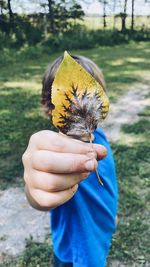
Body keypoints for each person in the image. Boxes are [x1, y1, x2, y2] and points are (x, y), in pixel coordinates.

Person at [22, 54, 118, 267]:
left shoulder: (98, 137)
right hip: (74, 254)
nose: (82, 108)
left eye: (91, 97)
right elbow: (39, 192)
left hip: (100, 235)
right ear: (50, 107)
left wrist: (111, 214)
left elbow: (108, 184)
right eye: (70, 102)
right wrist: (35, 190)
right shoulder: (57, 156)